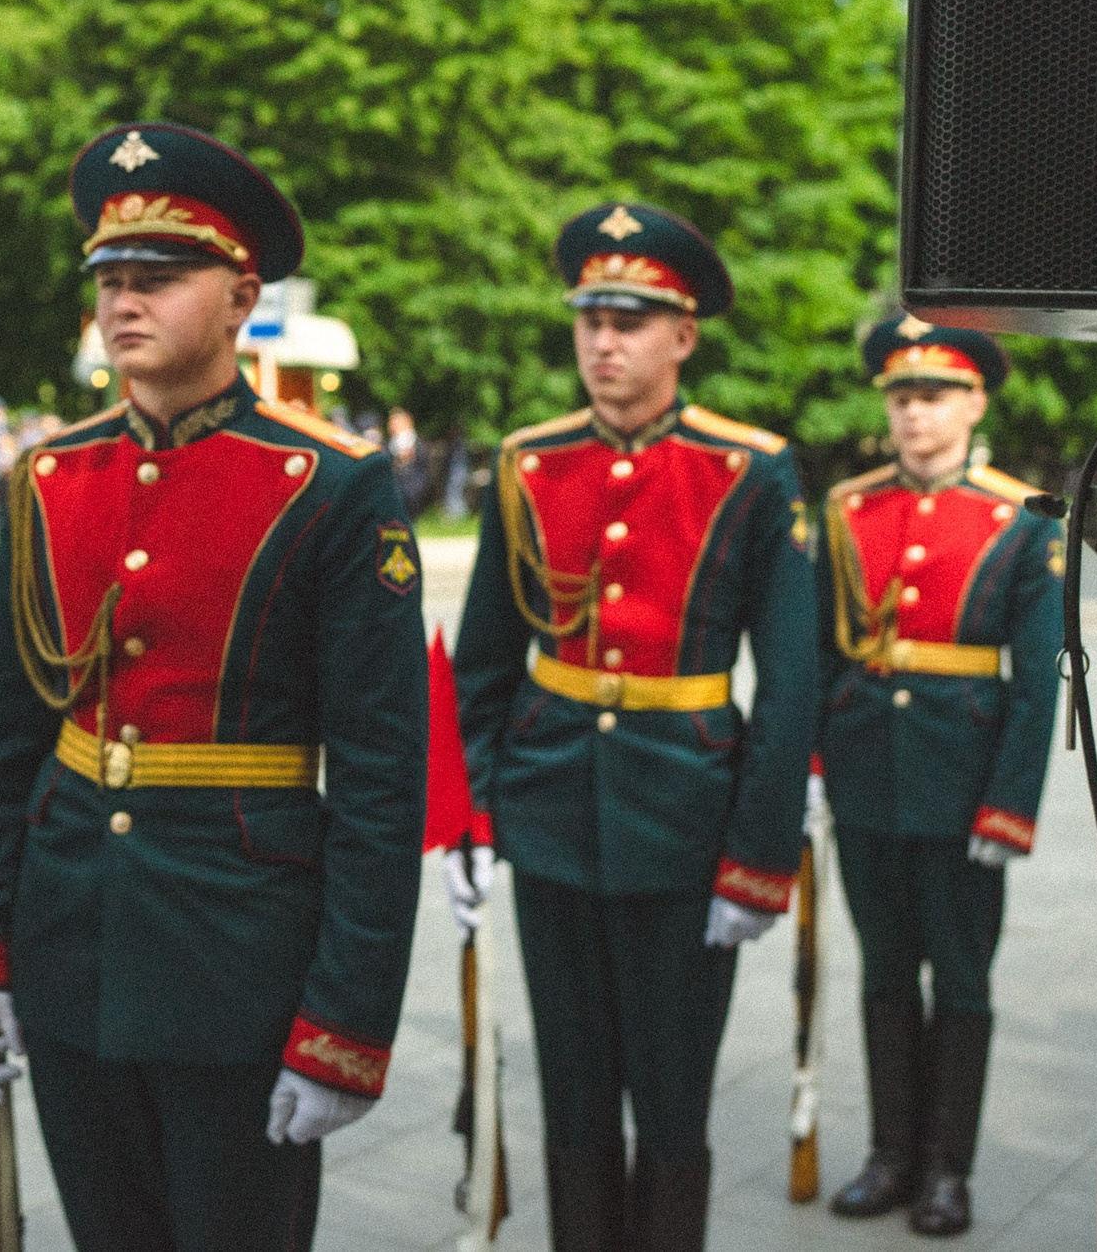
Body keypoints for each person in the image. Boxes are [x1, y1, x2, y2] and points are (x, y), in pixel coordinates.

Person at [0, 123, 429, 1252]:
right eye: (110, 278)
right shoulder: (51, 476)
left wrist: (345, 1023)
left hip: (241, 968)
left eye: (160, 277)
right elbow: (4, 741)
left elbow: (379, 779)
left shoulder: (331, 487)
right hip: (72, 951)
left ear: (241, 298)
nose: (125, 302)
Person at [452, 202, 818, 1252]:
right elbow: (483, 664)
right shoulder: (528, 463)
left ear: (683, 335)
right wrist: (471, 815)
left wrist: (758, 860)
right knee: (571, 1099)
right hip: (550, 817)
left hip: (685, 824)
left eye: (630, 322)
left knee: (669, 1103)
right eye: (590, 320)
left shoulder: (750, 470)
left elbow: (790, 683)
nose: (603, 342)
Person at [817, 315, 1059, 1236]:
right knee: (884, 973)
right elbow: (820, 656)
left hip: (963, 783)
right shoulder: (849, 509)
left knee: (959, 980)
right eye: (902, 398)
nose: (915, 414)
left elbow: (1036, 684)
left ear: (974, 404)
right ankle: (890, 1156)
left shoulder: (1020, 516)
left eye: (934, 396)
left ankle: (948, 1168)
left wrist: (1009, 806)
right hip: (865, 776)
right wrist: (812, 771)